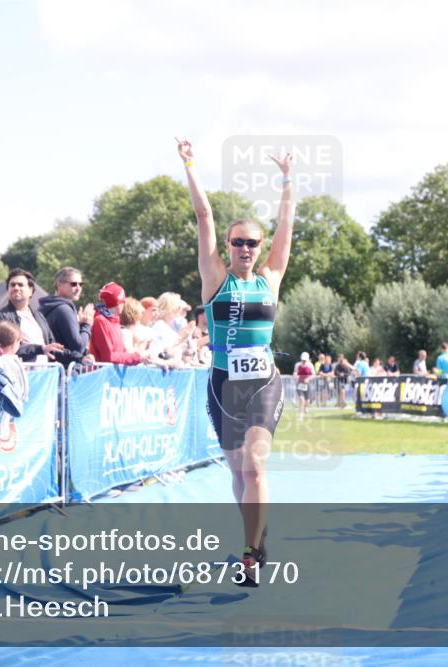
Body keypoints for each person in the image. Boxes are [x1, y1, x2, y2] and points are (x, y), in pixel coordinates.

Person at [181, 137, 293, 583]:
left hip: (264, 382)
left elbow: (287, 226)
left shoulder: (271, 278)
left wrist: (287, 181)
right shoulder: (215, 278)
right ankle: (257, 534)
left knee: (254, 465)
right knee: (237, 472)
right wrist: (189, 163)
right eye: (237, 242)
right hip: (224, 384)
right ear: (228, 246)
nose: (245, 248)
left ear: (260, 245)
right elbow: (203, 215)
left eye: (252, 242)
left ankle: (250, 552)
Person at [0, 268, 64, 364]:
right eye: (12, 285)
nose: (16, 288)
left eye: (20, 285)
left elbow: (52, 346)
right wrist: (40, 349)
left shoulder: (39, 316)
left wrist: (79, 357)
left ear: (31, 291)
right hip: (19, 375)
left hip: (44, 374)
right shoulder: (1, 318)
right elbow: (2, 350)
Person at [39, 266, 95, 364]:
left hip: (54, 368)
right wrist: (87, 325)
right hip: (64, 371)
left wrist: (80, 325)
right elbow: (78, 347)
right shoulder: (64, 310)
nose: (78, 288)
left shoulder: (50, 306)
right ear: (59, 285)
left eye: (81, 284)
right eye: (73, 284)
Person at [90, 282, 149, 365]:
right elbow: (109, 357)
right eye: (123, 301)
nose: (124, 303)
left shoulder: (115, 320)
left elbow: (120, 352)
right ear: (117, 302)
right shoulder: (100, 321)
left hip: (114, 375)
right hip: (103, 375)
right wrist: (137, 357)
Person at [294, 352, 314, 419]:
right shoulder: (297, 365)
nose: (304, 361)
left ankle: (306, 408)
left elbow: (313, 374)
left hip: (307, 384)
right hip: (299, 384)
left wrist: (308, 379)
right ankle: (301, 415)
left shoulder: (310, 365)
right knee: (302, 399)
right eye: (303, 360)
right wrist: (295, 375)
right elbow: (295, 372)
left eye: (305, 360)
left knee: (307, 400)